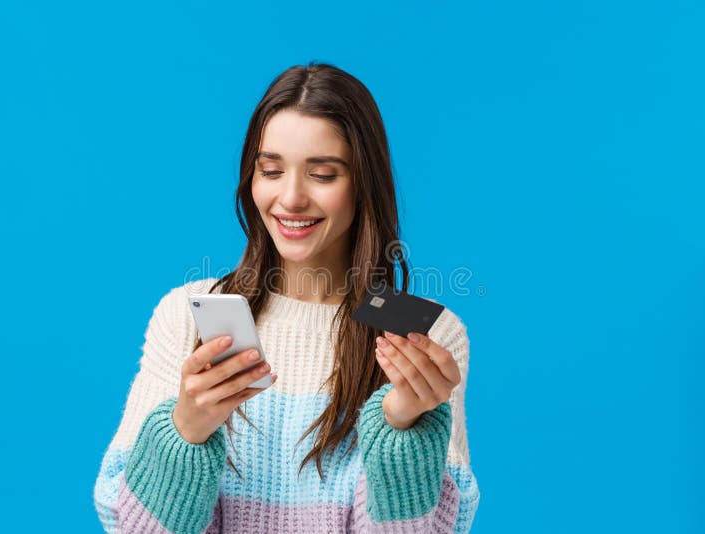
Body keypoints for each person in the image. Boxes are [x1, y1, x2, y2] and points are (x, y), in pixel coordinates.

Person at [93, 62, 480, 533]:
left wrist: (400, 427)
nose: (290, 198)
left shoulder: (425, 332)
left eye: (322, 174)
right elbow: (129, 528)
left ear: (363, 184)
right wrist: (185, 431)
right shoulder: (186, 316)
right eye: (271, 170)